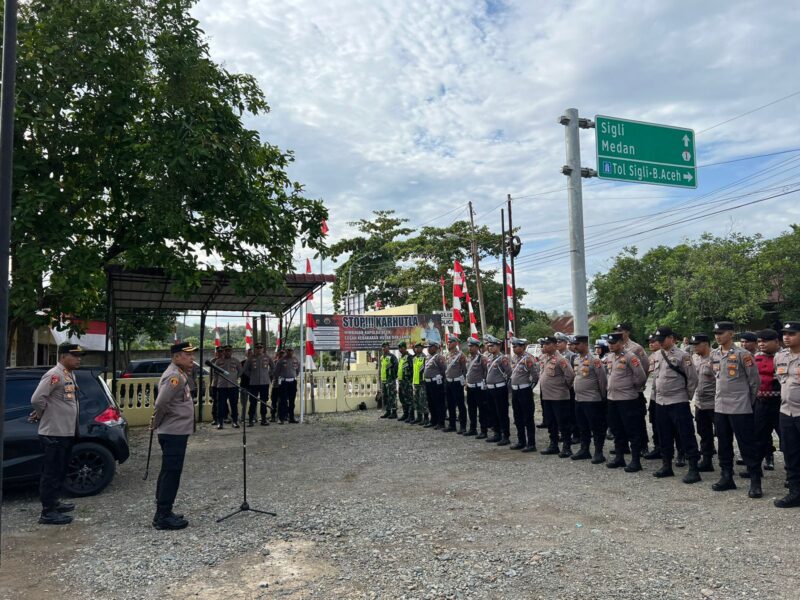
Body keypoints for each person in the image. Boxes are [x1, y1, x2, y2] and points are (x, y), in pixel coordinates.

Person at [29, 343, 85, 525]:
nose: (78, 359)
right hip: (54, 432)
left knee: (60, 470)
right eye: (74, 355)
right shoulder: (54, 374)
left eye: (79, 356)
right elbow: (37, 398)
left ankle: (54, 502)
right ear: (63, 356)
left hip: (65, 431)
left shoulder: (69, 374)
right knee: (51, 472)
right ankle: (48, 512)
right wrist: (41, 413)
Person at [710, 321, 762, 498]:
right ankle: (727, 477)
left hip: (740, 407)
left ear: (731, 334)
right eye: (716, 333)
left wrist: (749, 402)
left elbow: (754, 382)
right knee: (723, 444)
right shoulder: (714, 354)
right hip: (720, 406)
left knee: (747, 444)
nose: (718, 336)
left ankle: (755, 480)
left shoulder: (743, 354)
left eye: (722, 333)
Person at [150, 342, 197, 530]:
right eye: (187, 355)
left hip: (176, 431)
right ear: (177, 357)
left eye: (192, 355)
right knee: (171, 473)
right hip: (172, 431)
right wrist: (157, 422)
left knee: (169, 471)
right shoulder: (174, 376)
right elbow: (161, 403)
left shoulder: (180, 374)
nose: (192, 358)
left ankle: (165, 510)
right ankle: (162, 516)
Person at [650, 327, 701, 484]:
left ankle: (693, 468)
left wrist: (686, 396)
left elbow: (693, 379)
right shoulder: (657, 355)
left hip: (678, 401)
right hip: (660, 402)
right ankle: (666, 465)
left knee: (686, 435)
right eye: (658, 340)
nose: (659, 342)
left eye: (662, 339)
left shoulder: (682, 356)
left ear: (671, 338)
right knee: (664, 434)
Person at [605, 331, 648, 472]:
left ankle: (635, 461)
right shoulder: (610, 357)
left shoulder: (630, 357)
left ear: (622, 343)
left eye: (613, 343)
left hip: (627, 399)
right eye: (609, 343)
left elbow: (641, 377)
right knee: (617, 430)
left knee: (632, 430)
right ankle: (619, 458)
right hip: (612, 399)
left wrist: (630, 388)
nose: (610, 345)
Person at [774, 321, 800, 508]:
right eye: (784, 333)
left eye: (791, 334)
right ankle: (795, 492)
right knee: (790, 453)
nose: (786, 337)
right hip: (786, 412)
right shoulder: (780, 357)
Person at [615, 323, 651, 455]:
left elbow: (646, 368)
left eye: (621, 330)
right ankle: (623, 446)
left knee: (637, 421)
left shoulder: (636, 348)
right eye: (617, 331)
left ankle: (643, 446)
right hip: (619, 394)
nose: (618, 333)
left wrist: (638, 385)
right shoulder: (614, 347)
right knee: (620, 420)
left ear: (627, 332)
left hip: (634, 392)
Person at [571, 335, 608, 463]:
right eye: (574, 344)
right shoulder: (577, 359)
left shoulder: (595, 360)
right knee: (582, 426)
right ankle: (584, 450)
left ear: (585, 344)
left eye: (577, 344)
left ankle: (598, 452)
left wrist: (602, 396)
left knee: (596, 427)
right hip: (579, 399)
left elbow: (602, 380)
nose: (574, 346)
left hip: (592, 400)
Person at [538, 335, 576, 457]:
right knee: (551, 422)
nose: (544, 346)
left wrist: (563, 387)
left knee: (563, 423)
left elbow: (570, 375)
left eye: (547, 344)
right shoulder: (544, 358)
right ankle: (553, 445)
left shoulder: (561, 359)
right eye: (544, 344)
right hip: (547, 396)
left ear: (555, 345)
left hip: (559, 397)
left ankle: (566, 447)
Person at [755, 329, 782, 472]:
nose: (761, 344)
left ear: (776, 342)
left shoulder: (785, 356)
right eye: (759, 341)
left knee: (787, 439)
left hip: (780, 403)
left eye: (765, 341)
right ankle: (756, 472)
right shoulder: (756, 357)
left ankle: (791, 473)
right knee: (759, 437)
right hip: (761, 402)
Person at [692, 334, 717, 472]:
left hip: (715, 403)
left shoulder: (716, 357)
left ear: (706, 344)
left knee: (724, 435)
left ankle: (727, 466)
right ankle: (707, 461)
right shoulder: (694, 358)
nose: (694, 347)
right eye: (693, 344)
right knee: (703, 432)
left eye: (697, 344)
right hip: (700, 403)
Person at [509, 337, 540, 452]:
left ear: (522, 347)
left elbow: (535, 376)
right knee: (517, 417)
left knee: (528, 418)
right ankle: (521, 441)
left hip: (524, 391)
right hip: (515, 391)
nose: (513, 348)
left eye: (515, 346)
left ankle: (531, 444)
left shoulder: (528, 358)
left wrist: (529, 388)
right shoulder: (515, 358)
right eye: (513, 346)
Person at [484, 335, 511, 445]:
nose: (490, 348)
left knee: (502, 413)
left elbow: (509, 373)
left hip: (500, 389)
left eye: (493, 345)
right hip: (490, 389)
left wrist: (507, 388)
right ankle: (497, 433)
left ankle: (505, 435)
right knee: (493, 412)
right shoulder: (490, 358)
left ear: (498, 346)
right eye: (489, 346)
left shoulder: (502, 358)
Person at [243, 343, 273, 426]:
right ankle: (251, 420)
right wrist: (252, 376)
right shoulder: (250, 358)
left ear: (263, 349)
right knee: (253, 401)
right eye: (257, 348)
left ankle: (263, 419)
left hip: (264, 383)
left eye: (261, 347)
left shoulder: (267, 357)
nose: (259, 349)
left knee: (264, 401)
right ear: (255, 349)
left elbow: (273, 367)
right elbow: (245, 370)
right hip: (253, 383)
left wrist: (267, 375)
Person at [444, 334, 468, 433]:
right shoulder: (447, 355)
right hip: (448, 382)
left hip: (457, 382)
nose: (448, 343)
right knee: (450, 404)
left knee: (460, 404)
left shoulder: (460, 355)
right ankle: (452, 425)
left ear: (455, 343)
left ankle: (463, 426)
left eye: (450, 342)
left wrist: (464, 382)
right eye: (448, 342)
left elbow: (464, 370)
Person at [215, 345, 242, 429]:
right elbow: (215, 374)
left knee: (234, 405)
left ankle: (235, 421)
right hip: (221, 386)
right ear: (224, 351)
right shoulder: (218, 361)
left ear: (232, 351)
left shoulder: (236, 361)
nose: (228, 352)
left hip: (233, 386)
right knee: (221, 405)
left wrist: (235, 377)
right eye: (226, 350)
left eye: (229, 350)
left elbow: (241, 371)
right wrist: (215, 385)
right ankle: (220, 422)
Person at [465, 337, 488, 437]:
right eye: (469, 346)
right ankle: (472, 428)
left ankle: (483, 430)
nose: (470, 348)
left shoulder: (482, 358)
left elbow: (486, 372)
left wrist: (484, 383)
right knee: (471, 409)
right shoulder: (469, 358)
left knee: (482, 409)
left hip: (479, 387)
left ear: (477, 347)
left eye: (472, 346)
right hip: (470, 387)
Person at [423, 341, 447, 430]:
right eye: (428, 347)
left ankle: (441, 422)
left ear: (435, 348)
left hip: (436, 383)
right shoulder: (428, 357)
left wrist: (440, 378)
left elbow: (444, 370)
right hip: (428, 382)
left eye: (430, 347)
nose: (428, 348)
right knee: (431, 403)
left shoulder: (439, 357)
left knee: (439, 403)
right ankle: (433, 420)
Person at [276, 348, 300, 423]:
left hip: (292, 382)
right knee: (283, 401)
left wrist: (293, 376)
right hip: (284, 382)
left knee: (292, 401)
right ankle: (281, 418)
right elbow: (276, 372)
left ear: (293, 351)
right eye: (288, 351)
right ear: (286, 352)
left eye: (291, 351)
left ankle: (291, 418)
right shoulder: (281, 360)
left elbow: (298, 371)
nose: (290, 352)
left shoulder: (296, 360)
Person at [378, 342, 399, 419]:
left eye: (385, 347)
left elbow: (396, 367)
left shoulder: (392, 357)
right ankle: (388, 411)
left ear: (388, 347)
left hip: (390, 380)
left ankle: (394, 412)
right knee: (386, 396)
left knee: (392, 396)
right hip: (384, 380)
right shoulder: (382, 357)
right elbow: (381, 369)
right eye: (383, 347)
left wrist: (393, 377)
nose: (384, 348)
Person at [411, 342, 429, 425]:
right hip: (416, 382)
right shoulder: (414, 358)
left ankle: (426, 418)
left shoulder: (424, 358)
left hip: (422, 383)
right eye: (416, 348)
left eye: (418, 347)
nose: (417, 349)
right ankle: (419, 417)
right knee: (417, 400)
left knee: (423, 400)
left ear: (422, 348)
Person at [397, 341, 415, 422]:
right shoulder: (401, 357)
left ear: (405, 348)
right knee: (402, 398)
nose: (400, 349)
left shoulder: (409, 357)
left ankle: (411, 416)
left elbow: (413, 369)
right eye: (399, 348)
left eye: (401, 348)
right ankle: (405, 414)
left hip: (407, 382)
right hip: (401, 382)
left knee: (409, 399)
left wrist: (410, 380)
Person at [270, 349, 285, 422]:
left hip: (283, 385)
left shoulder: (286, 363)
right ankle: (273, 416)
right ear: (278, 355)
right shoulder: (274, 363)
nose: (282, 356)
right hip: (275, 385)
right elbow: (270, 373)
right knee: (274, 401)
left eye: (283, 354)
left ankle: (282, 416)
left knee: (283, 401)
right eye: (280, 354)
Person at [209, 347, 221, 427]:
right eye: (218, 352)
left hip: (223, 384)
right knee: (215, 402)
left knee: (223, 402)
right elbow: (211, 374)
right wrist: (210, 384)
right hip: (215, 384)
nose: (219, 353)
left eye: (220, 352)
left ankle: (224, 417)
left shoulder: (225, 360)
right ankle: (215, 419)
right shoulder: (212, 361)